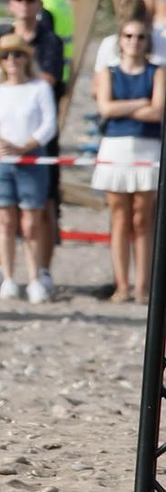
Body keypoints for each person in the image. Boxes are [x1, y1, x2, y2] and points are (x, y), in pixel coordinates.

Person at [0, 0, 67, 298]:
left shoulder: (50, 42)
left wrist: (25, 145)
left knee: (36, 215)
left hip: (33, 152)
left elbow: (50, 111)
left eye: (18, 55)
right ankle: (4, 272)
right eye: (7, 56)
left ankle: (38, 273)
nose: (12, 60)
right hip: (4, 154)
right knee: (3, 215)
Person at [93, 19, 164, 302]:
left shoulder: (158, 73)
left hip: (147, 147)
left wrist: (122, 108)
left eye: (140, 36)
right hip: (115, 148)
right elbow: (105, 108)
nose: (134, 41)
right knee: (120, 218)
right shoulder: (108, 73)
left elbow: (158, 111)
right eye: (129, 36)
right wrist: (140, 104)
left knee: (142, 218)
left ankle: (142, 286)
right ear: (120, 40)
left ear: (148, 41)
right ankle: (122, 284)